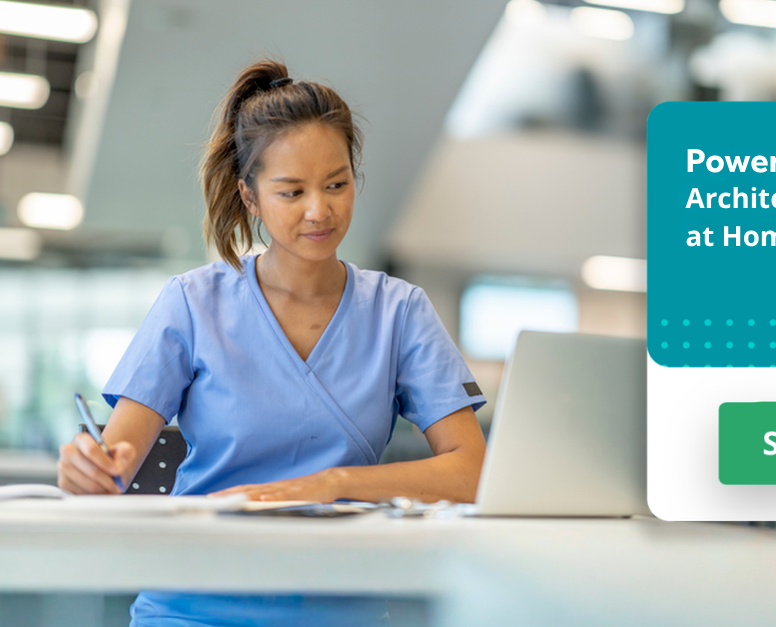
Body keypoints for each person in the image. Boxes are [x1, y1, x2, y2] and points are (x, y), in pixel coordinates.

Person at [55, 59, 488, 626]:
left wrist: (332, 486)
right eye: (291, 191)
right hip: (193, 605)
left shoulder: (399, 311)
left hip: (340, 607)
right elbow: (117, 462)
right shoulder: (192, 303)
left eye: (337, 183)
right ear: (250, 197)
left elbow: (470, 473)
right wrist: (87, 469)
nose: (320, 210)